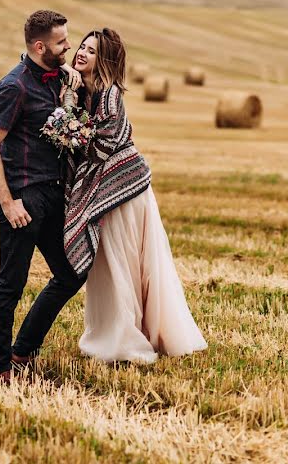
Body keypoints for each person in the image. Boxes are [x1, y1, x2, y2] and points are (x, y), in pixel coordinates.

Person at [61, 28, 207, 364]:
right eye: (82, 47)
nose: (82, 53)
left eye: (92, 51)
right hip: (116, 189)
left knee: (119, 263)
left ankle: (124, 340)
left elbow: (99, 143)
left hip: (124, 192)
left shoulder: (109, 95)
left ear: (105, 60)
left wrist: (68, 118)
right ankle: (121, 332)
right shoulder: (85, 92)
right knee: (116, 263)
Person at [0, 10, 86, 383]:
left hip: (53, 195)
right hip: (23, 197)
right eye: (61, 42)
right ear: (40, 46)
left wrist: (70, 85)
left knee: (72, 273)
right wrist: (8, 203)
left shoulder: (60, 78)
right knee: (11, 283)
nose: (69, 46)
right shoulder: (14, 86)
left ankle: (23, 349)